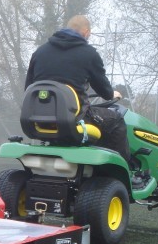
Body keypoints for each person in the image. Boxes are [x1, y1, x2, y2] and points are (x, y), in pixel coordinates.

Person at [25, 15, 132, 166]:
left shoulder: (40, 52)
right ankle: (122, 170)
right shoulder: (88, 54)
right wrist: (112, 93)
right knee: (116, 120)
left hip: (38, 119)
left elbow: (28, 88)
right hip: (75, 118)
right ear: (86, 32)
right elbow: (105, 92)